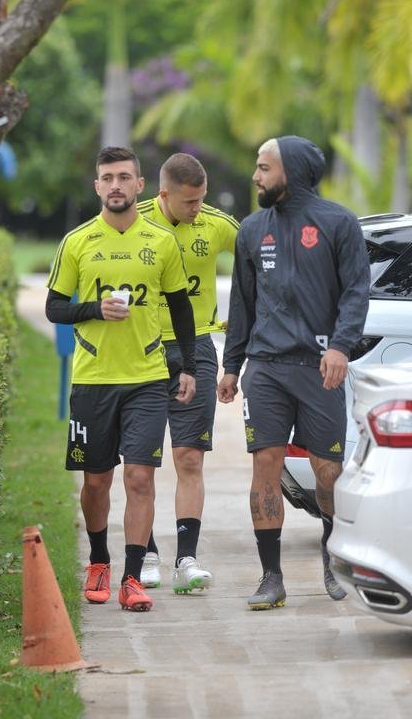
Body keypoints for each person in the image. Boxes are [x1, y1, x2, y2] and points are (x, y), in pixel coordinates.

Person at [217, 136, 370, 610]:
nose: (256, 176)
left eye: (265, 168)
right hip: (265, 368)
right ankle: (271, 577)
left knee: (327, 472)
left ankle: (332, 556)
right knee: (266, 464)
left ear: (293, 171)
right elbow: (242, 303)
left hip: (319, 368)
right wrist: (232, 365)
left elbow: (355, 292)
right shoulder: (251, 228)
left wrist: (341, 346)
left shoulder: (338, 222)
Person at [45, 146, 196, 613]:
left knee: (140, 479)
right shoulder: (77, 242)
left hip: (147, 379)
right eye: (107, 177)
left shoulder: (162, 241)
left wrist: (187, 366)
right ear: (97, 186)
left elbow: (180, 307)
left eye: (123, 177)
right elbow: (55, 307)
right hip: (92, 380)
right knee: (96, 482)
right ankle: (98, 561)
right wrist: (94, 310)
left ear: (139, 185)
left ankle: (132, 578)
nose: (115, 185)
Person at [137, 153, 239, 592]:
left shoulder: (216, 224)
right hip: (139, 349)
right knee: (140, 464)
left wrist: (245, 316)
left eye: (201, 200)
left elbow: (259, 262)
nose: (197, 208)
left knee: (189, 457)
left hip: (195, 345)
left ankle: (187, 558)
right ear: (163, 195)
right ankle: (147, 553)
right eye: (188, 202)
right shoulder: (133, 222)